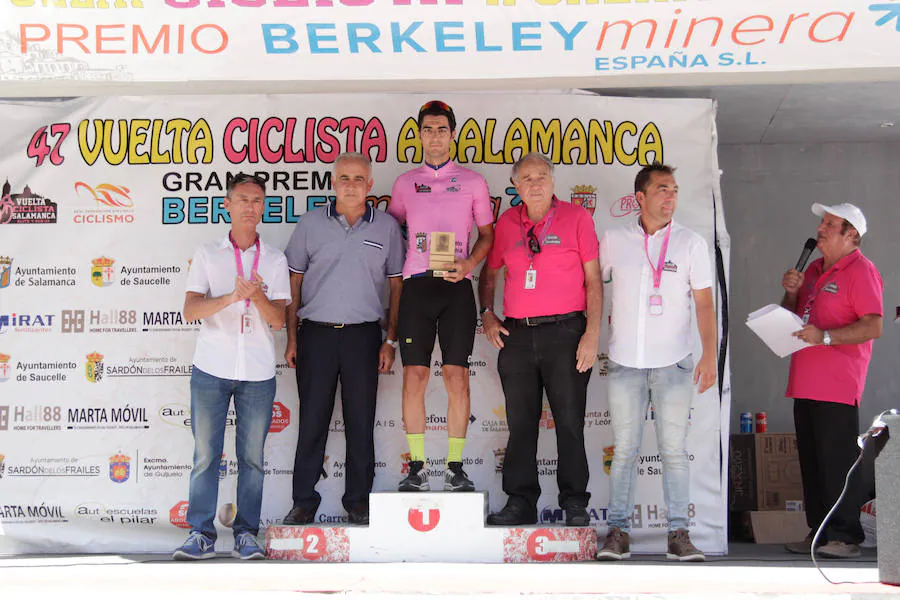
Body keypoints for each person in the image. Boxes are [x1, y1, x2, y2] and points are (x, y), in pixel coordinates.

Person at [596, 162, 716, 562]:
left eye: (675, 190)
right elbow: (593, 287)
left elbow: (704, 304)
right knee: (625, 449)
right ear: (640, 197)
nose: (671, 197)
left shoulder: (691, 243)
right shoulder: (614, 240)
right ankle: (618, 533)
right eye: (663, 189)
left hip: (674, 363)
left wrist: (710, 355)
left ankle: (679, 534)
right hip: (625, 361)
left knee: (674, 451)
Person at [281, 153, 404, 526]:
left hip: (364, 338)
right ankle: (304, 500)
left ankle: (358, 502)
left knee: (360, 422)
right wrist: (291, 338)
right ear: (334, 183)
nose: (351, 184)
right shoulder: (310, 224)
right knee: (313, 421)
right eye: (344, 178)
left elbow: (397, 287)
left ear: (370, 185)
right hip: (315, 336)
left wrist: (390, 340)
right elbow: (294, 283)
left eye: (359, 178)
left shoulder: (385, 227)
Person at [479, 153, 601, 526]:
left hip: (567, 333)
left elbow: (594, 281)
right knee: (520, 423)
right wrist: (486, 313)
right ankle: (520, 502)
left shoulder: (577, 218)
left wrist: (592, 334)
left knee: (569, 421)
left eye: (542, 176)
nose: (535, 183)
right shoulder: (506, 224)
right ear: (516, 186)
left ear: (553, 182)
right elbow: (488, 276)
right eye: (527, 178)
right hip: (517, 334)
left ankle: (575, 502)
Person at [173, 173, 291, 560]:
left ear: (264, 208)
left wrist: (256, 296)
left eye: (257, 200)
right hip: (211, 367)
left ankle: (246, 534)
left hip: (257, 372)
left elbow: (278, 320)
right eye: (242, 199)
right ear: (227, 203)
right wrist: (230, 296)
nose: (250, 206)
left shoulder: (274, 260)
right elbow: (191, 309)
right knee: (206, 455)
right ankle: (200, 534)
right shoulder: (208, 253)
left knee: (253, 459)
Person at [387, 100, 494, 492]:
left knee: (457, 378)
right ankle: (416, 466)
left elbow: (488, 235)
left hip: (455, 288)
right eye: (428, 129)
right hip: (416, 287)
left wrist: (468, 265)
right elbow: (390, 228)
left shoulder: (472, 182)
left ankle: (454, 467)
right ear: (419, 134)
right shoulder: (404, 182)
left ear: (452, 134)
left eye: (442, 129)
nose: (435, 136)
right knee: (413, 377)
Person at [781, 202, 883, 559]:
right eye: (821, 223)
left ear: (850, 234)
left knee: (838, 461)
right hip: (804, 379)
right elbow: (794, 317)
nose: (820, 228)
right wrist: (792, 292)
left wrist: (825, 337)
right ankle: (819, 533)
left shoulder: (861, 270)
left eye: (829, 224)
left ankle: (844, 535)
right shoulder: (814, 270)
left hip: (838, 383)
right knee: (812, 462)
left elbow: (873, 325)